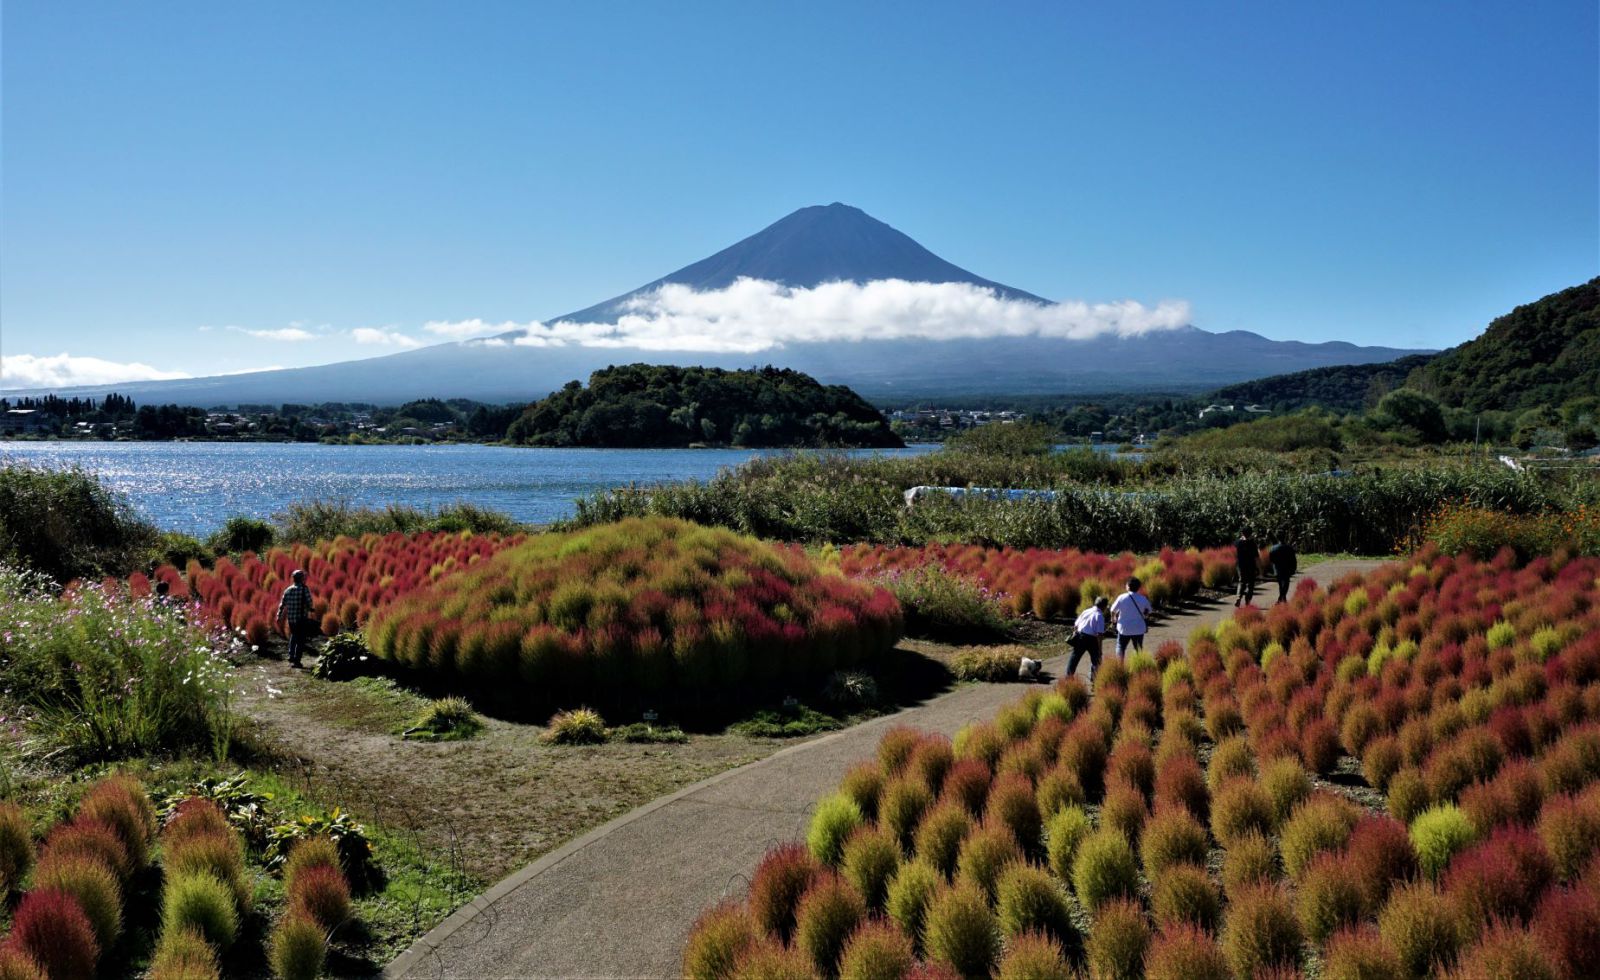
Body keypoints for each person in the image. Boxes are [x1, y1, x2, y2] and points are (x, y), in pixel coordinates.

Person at [275, 569, 314, 668]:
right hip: (301, 619)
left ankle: (291, 655)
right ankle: (297, 660)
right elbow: (309, 603)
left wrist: (278, 616)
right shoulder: (304, 589)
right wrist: (310, 608)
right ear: (301, 578)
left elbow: (282, 604)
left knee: (294, 635)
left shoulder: (288, 590)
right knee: (300, 639)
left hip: (291, 619)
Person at [1066, 596, 1109, 683]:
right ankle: (1095, 679)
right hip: (1091, 639)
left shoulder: (1086, 611)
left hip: (1080, 636)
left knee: (1074, 658)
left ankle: (1068, 678)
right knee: (1096, 660)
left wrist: (1076, 634)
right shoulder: (1099, 616)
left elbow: (1076, 625)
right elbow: (1099, 635)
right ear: (1104, 606)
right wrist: (1100, 649)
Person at [1110, 577, 1153, 657]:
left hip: (1124, 628)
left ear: (1128, 586)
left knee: (1120, 646)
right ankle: (1138, 664)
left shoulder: (1122, 597)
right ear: (1138, 587)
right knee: (1138, 648)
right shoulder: (1143, 598)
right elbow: (1149, 611)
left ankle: (1120, 666)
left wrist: (1113, 619)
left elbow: (1113, 610)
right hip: (1138, 628)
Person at [1268, 539, 1298, 604]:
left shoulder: (1273, 548)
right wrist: (1294, 568)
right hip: (1287, 569)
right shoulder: (1289, 548)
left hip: (1277, 569)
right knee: (1285, 585)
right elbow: (1293, 560)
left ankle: (1283, 599)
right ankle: (1281, 598)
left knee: (1281, 585)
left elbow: (1271, 559)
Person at [1234, 530, 1259, 607]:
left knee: (1241, 581)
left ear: (1242, 533)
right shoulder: (1252, 543)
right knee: (1250, 584)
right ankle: (1247, 601)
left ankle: (1238, 597)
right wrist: (1258, 568)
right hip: (1251, 565)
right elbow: (1256, 557)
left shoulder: (1237, 542)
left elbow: (1233, 554)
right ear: (1250, 534)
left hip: (1240, 565)